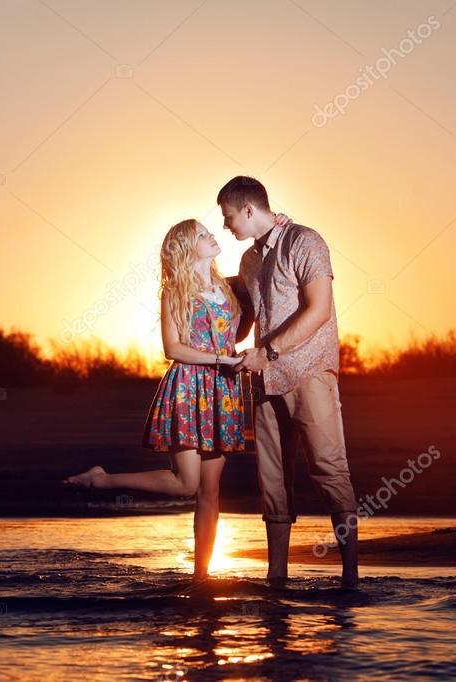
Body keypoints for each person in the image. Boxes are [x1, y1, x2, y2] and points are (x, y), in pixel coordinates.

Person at [64, 215, 286, 581]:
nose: (213, 235)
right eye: (203, 235)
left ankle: (202, 575)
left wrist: (242, 356)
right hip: (189, 388)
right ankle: (102, 480)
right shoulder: (175, 292)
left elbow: (262, 291)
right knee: (187, 484)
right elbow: (173, 348)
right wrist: (221, 358)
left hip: (223, 391)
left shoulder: (229, 288)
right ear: (186, 248)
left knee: (211, 491)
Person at [219, 175, 359, 589]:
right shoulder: (247, 262)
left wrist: (270, 352)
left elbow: (318, 311)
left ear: (248, 209)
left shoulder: (305, 241)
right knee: (273, 482)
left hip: (310, 373)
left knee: (330, 471)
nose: (226, 226)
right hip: (263, 382)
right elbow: (245, 325)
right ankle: (276, 580)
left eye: (229, 217)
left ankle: (351, 577)